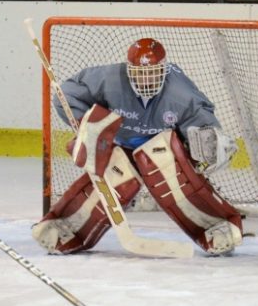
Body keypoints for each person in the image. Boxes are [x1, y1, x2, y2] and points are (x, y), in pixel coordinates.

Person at [32, 37, 242, 256]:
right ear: (128, 69)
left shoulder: (181, 93)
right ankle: (64, 229)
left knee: (170, 173)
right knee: (115, 176)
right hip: (119, 145)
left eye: (153, 72)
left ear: (164, 68)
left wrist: (209, 146)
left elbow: (204, 126)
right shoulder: (110, 79)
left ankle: (218, 229)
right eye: (140, 73)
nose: (147, 79)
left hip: (162, 149)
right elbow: (66, 94)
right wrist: (89, 128)